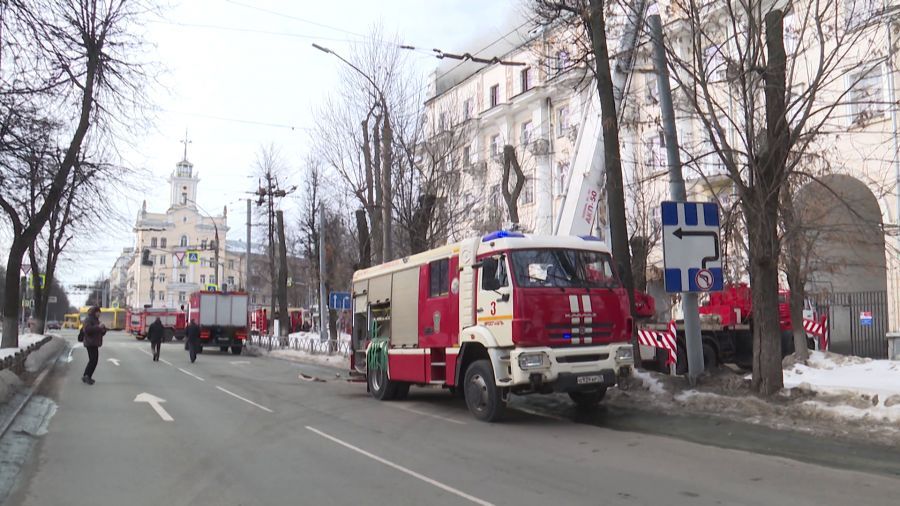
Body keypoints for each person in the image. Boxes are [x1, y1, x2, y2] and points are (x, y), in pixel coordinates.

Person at [82, 306, 107, 385]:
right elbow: (88, 330)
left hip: (94, 342)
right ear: (94, 312)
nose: (99, 314)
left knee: (93, 360)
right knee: (93, 360)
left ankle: (87, 376)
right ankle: (87, 376)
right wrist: (99, 327)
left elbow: (99, 331)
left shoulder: (96, 320)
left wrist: (103, 329)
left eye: (100, 313)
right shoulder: (89, 319)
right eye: (98, 312)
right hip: (90, 343)